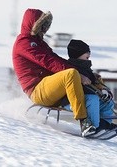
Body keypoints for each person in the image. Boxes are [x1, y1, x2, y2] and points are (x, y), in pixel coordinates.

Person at [12, 8, 96, 137]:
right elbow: (49, 61)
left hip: (50, 88)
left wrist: (84, 73)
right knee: (71, 74)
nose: (44, 29)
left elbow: (56, 58)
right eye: (41, 26)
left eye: (45, 26)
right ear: (33, 25)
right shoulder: (24, 43)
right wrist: (78, 74)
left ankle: (100, 124)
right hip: (37, 90)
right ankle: (84, 121)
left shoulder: (40, 43)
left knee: (89, 89)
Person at [65, 39, 117, 135]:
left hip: (86, 98)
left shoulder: (86, 68)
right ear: (78, 54)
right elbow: (78, 87)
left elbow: (94, 82)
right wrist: (97, 92)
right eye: (86, 52)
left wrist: (103, 90)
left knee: (107, 102)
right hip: (71, 100)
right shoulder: (70, 69)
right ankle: (93, 127)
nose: (89, 54)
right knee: (93, 99)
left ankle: (104, 125)